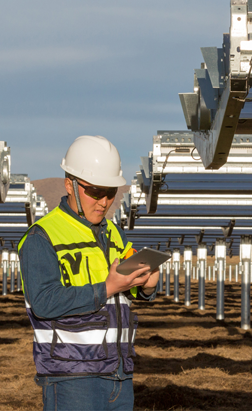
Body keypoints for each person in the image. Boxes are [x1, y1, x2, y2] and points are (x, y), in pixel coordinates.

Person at [19, 135, 159, 411]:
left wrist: (147, 286)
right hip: (72, 377)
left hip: (119, 374)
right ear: (69, 185)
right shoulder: (42, 237)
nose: (104, 201)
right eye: (95, 191)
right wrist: (105, 287)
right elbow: (45, 302)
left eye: (110, 193)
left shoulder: (114, 234)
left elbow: (125, 289)